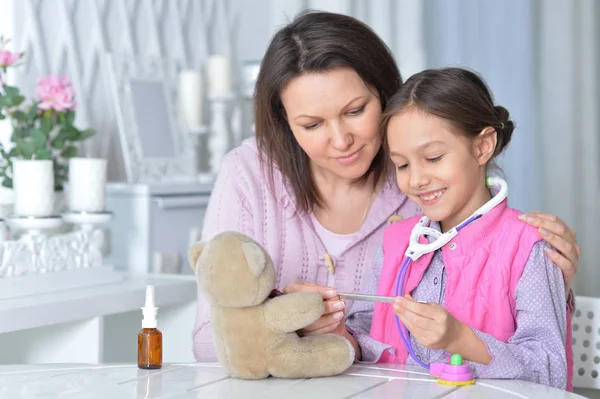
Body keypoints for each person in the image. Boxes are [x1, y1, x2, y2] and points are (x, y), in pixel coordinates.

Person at [194, 11, 580, 364]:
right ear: (286, 126)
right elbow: (209, 341)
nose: (341, 140)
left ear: (384, 96)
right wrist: (300, 322)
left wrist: (550, 287)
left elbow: (519, 335)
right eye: (312, 125)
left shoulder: (431, 206)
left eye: (355, 111)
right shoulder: (248, 176)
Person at [343, 68, 571, 389]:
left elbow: (549, 370)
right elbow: (362, 329)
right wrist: (334, 332)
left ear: (482, 147)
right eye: (403, 164)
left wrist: (460, 339)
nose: (417, 179)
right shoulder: (396, 242)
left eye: (433, 157)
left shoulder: (528, 246)